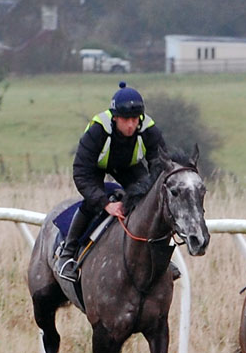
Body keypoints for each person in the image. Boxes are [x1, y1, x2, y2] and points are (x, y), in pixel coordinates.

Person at [57, 82, 168, 282]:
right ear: (115, 117)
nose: (131, 125)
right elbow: (81, 172)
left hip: (128, 166)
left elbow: (160, 168)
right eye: (126, 120)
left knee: (148, 199)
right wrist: (106, 204)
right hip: (95, 167)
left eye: (135, 119)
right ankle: (68, 252)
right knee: (93, 202)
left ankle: (156, 253)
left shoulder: (149, 129)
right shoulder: (98, 130)